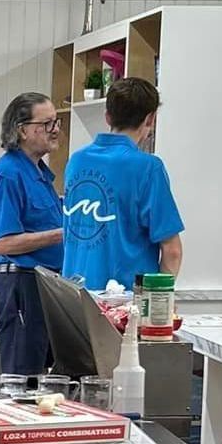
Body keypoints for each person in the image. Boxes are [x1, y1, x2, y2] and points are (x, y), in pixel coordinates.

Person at [59, 78, 184, 289]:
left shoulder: (76, 161)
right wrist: (159, 301)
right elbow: (172, 251)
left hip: (74, 297)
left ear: (107, 116)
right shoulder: (148, 168)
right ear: (150, 119)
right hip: (123, 302)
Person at [0, 92, 64, 375]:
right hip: (22, 284)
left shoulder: (39, 173)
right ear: (22, 130)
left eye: (57, 122)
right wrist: (63, 235)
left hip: (46, 284)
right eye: (47, 123)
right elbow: (1, 243)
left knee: (45, 376)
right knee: (22, 376)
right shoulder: (7, 176)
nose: (55, 130)